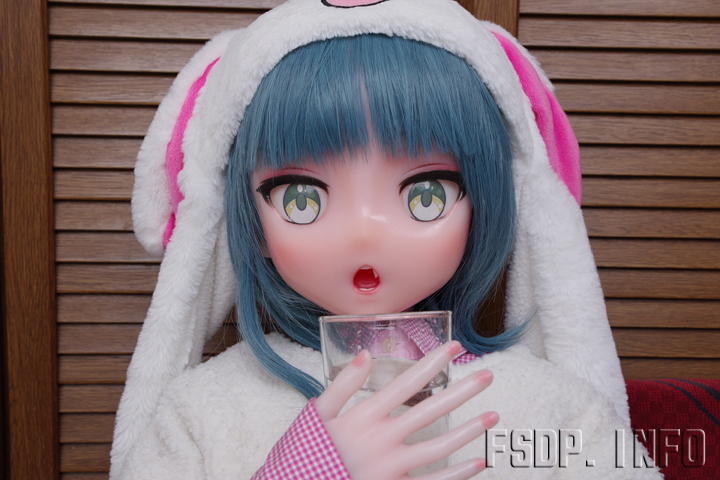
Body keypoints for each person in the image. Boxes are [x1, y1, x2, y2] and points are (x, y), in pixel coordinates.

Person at [111, 0, 663, 478]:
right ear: (248, 222)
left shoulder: (555, 408)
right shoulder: (202, 413)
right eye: (302, 198)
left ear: (487, 204)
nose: (365, 232)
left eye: (427, 195)